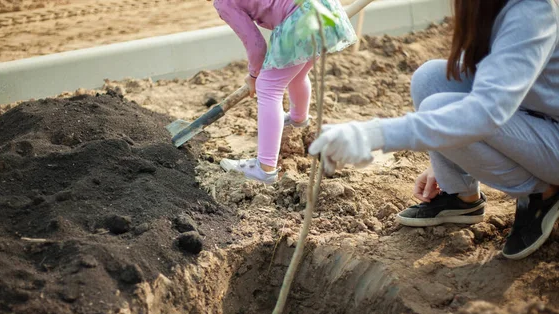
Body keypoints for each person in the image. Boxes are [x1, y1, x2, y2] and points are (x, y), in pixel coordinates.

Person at [309, 0, 559, 260]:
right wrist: (448, 157)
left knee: (439, 106)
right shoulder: (489, 6)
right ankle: (462, 196)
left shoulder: (532, 9)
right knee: (430, 79)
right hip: (532, 113)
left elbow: (484, 112)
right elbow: (484, 76)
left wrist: (373, 134)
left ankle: (541, 191)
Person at [213, 0, 357, 184]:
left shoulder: (224, 3)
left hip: (301, 19)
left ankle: (264, 168)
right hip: (326, 9)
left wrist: (254, 75)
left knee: (268, 86)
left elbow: (257, 47)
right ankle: (298, 119)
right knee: (298, 73)